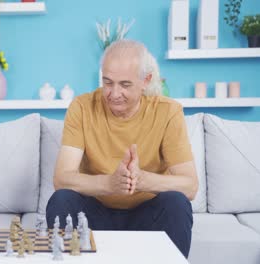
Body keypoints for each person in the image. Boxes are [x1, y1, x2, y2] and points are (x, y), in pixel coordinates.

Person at [45, 39, 198, 258]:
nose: (114, 94)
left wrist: (141, 180)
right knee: (61, 200)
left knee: (176, 203)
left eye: (125, 85)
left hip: (147, 216)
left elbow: (190, 186)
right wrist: (109, 183)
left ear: (146, 80)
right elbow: (61, 179)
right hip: (95, 215)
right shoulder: (81, 107)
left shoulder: (168, 111)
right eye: (108, 82)